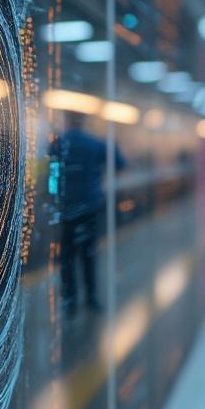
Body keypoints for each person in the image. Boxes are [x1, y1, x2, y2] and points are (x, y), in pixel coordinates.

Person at [50, 111, 125, 318]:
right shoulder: (95, 144)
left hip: (66, 209)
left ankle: (69, 301)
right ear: (83, 122)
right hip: (91, 206)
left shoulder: (59, 143)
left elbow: (53, 174)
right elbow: (120, 164)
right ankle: (91, 298)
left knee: (67, 256)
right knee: (88, 254)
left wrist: (55, 196)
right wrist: (113, 146)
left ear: (67, 121)